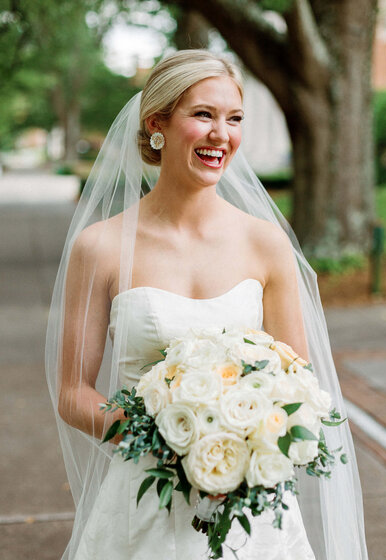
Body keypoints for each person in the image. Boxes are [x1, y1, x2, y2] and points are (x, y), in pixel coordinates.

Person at [46, 50, 368, 559]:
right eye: (203, 115)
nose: (222, 134)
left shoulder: (265, 243)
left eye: (234, 119)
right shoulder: (101, 247)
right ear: (159, 123)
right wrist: (173, 441)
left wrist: (243, 442)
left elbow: (299, 380)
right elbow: (71, 394)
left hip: (251, 511)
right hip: (142, 505)